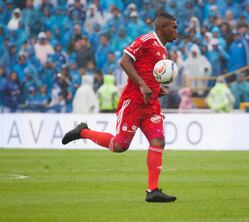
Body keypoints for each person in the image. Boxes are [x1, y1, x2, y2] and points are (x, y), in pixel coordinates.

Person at [62, 12, 178, 203]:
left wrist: (157, 90)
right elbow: (124, 61)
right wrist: (141, 84)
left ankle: (153, 190)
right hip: (133, 102)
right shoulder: (146, 40)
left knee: (158, 141)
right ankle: (83, 132)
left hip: (150, 105)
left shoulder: (163, 50)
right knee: (120, 145)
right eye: (174, 27)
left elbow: (149, 74)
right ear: (163, 27)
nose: (176, 31)